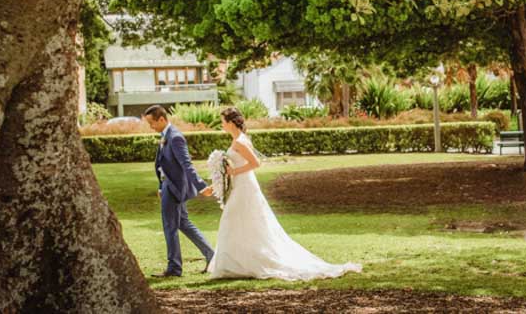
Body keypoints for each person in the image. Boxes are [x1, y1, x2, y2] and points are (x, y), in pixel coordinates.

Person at [208, 106, 362, 280]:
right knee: (238, 221)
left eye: (223, 122)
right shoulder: (238, 139)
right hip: (241, 185)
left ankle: (241, 262)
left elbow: (256, 163)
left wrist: (234, 172)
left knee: (238, 220)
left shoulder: (239, 142)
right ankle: (237, 262)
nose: (221, 125)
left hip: (244, 186)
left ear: (230, 123)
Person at [143, 105, 214, 277]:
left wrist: (201, 186)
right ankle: (212, 256)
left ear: (161, 119)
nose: (150, 126)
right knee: (183, 224)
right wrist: (161, 186)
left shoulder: (175, 137)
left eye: (152, 122)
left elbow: (186, 165)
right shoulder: (165, 135)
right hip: (168, 186)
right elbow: (162, 165)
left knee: (170, 227)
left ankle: (174, 268)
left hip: (175, 188)